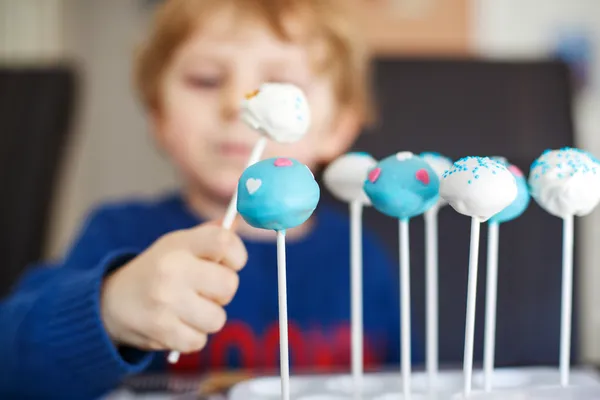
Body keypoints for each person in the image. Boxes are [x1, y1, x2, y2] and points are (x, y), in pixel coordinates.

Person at [0, 0, 418, 398]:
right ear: (158, 115)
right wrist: (109, 308)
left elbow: (416, 379)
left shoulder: (361, 257)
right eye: (205, 79)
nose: (237, 105)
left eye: (280, 86)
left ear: (339, 128)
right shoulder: (117, 233)